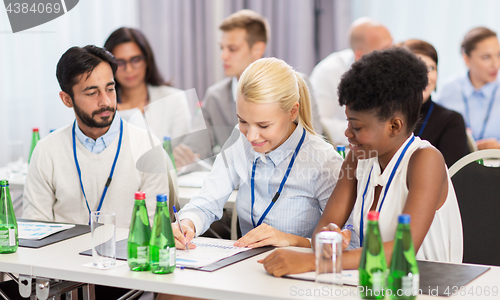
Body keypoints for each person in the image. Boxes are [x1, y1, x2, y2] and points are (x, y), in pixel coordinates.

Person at [261, 48, 463, 277]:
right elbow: (323, 231)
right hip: (373, 282)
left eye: (357, 127)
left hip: (427, 287)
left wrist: (316, 262)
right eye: (348, 122)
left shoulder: (426, 160)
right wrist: (330, 240)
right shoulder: (357, 158)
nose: (347, 133)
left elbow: (402, 250)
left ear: (394, 126)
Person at [172, 57, 343, 250]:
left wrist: (291, 240)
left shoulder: (324, 162)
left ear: (292, 112)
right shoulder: (240, 139)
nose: (251, 136)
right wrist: (187, 223)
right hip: (248, 269)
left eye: (263, 125)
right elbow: (208, 200)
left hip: (302, 275)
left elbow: (348, 243)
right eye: (243, 121)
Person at [23, 45, 170, 229]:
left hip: (128, 256)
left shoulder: (147, 147)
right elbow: (35, 228)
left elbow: (152, 229)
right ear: (67, 99)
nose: (106, 102)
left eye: (110, 89)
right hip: (61, 256)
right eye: (92, 93)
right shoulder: (47, 151)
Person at [174, 9, 323, 169]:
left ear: (257, 49)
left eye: (232, 49)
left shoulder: (295, 85)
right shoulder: (215, 96)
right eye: (221, 48)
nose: (223, 56)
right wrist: (183, 156)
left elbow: (312, 143)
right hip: (236, 188)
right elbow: (194, 150)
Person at [310, 17, 393, 146]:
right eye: (386, 50)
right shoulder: (328, 72)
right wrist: (364, 131)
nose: (393, 55)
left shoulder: (397, 72)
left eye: (393, 46)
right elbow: (317, 123)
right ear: (360, 55)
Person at [104, 27, 191, 142]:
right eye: (120, 62)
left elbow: (180, 156)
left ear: (147, 61)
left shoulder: (174, 99)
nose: (129, 69)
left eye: (135, 60)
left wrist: (133, 117)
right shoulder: (103, 105)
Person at [399, 39, 469, 167]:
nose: (426, 76)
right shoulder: (384, 116)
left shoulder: (451, 120)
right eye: (417, 68)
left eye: (431, 68)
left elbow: (451, 176)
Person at [437, 27, 500, 150]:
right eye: (486, 57)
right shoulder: (449, 90)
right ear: (466, 59)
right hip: (457, 165)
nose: (496, 64)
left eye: (498, 55)